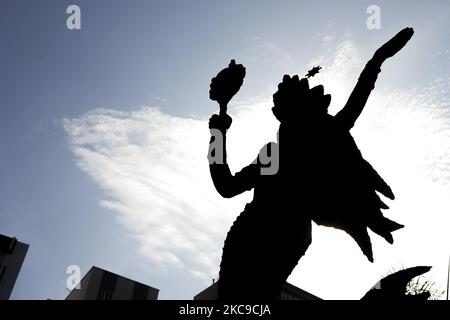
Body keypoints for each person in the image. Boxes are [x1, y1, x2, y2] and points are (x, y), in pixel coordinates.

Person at [208, 28, 414, 300]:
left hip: (265, 234)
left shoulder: (298, 146)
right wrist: (218, 132)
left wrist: (218, 133)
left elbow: (226, 185)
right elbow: (227, 186)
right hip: (264, 234)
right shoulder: (280, 152)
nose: (281, 120)